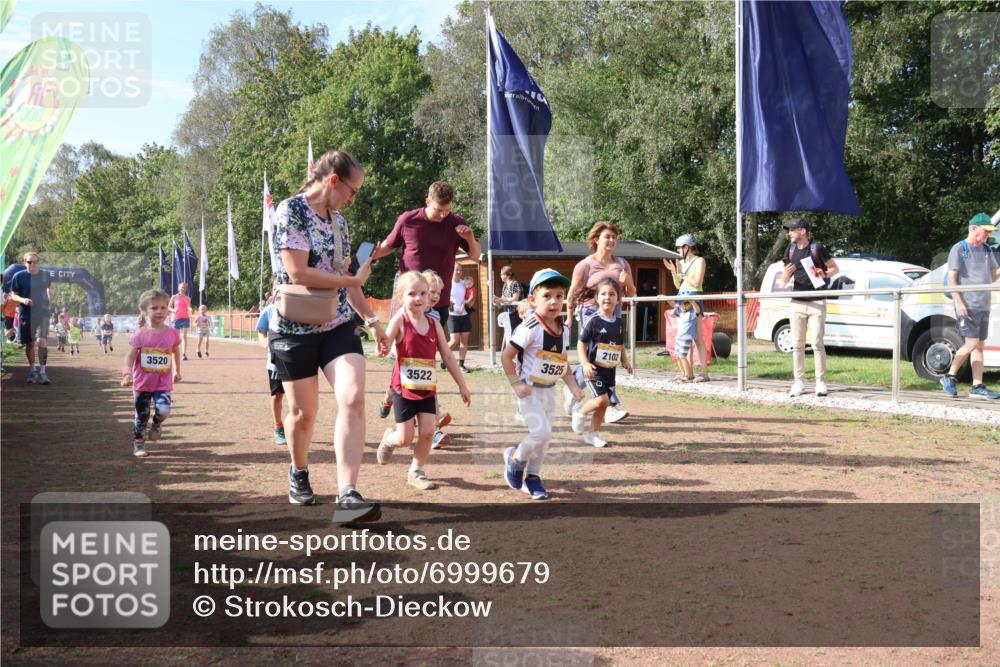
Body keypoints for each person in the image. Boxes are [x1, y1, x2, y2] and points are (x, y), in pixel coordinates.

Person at [269, 148, 388, 521]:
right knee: (303, 414)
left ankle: (347, 496)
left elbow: (348, 282)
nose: (353, 199)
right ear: (333, 180)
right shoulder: (290, 211)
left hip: (336, 324)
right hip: (293, 327)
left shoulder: (339, 223)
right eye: (352, 191)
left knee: (352, 398)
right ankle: (299, 470)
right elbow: (298, 272)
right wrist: (349, 279)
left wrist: (371, 320)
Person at [376, 271, 471, 490]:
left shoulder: (434, 324)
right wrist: (382, 345)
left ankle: (416, 471)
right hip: (404, 389)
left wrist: (462, 386)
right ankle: (389, 439)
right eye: (412, 294)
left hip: (427, 388)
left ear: (429, 297)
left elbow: (447, 356)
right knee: (405, 439)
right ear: (401, 297)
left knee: (428, 432)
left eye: (423, 293)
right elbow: (386, 342)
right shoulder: (400, 319)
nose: (418, 298)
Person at [502, 269, 585, 500]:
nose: (554, 302)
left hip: (549, 393)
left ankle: (533, 477)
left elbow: (562, 362)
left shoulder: (564, 329)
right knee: (542, 433)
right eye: (547, 296)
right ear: (532, 300)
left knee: (545, 438)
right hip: (529, 392)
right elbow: (506, 356)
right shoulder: (529, 328)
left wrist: (573, 387)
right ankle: (515, 458)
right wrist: (516, 384)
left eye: (559, 296)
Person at [372, 180, 482, 335]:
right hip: (410, 298)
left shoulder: (456, 223)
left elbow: (475, 255)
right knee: (406, 344)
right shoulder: (408, 220)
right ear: (428, 201)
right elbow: (389, 245)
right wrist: (370, 257)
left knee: (428, 350)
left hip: (438, 300)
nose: (443, 214)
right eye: (438, 210)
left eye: (447, 210)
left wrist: (470, 238)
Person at [565, 221, 636, 422]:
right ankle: (611, 405)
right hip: (591, 314)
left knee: (605, 359)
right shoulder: (585, 265)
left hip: (613, 313)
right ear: (596, 239)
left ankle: (573, 389)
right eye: (607, 237)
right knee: (597, 360)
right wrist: (569, 317)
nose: (612, 240)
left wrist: (626, 280)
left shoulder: (622, 264)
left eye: (614, 237)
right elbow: (572, 294)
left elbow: (632, 291)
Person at [940, 212, 1000, 399]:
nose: (988, 235)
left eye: (990, 232)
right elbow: (952, 277)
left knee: (979, 346)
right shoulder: (959, 248)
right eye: (986, 231)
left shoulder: (987, 250)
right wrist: (959, 302)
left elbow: (994, 274)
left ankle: (977, 386)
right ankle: (949, 377)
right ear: (973, 229)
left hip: (983, 305)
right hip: (967, 304)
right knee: (971, 343)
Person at [778, 218, 839, 397]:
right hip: (796, 302)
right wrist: (784, 276)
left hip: (817, 302)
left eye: (792, 230)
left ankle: (821, 382)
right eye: (788, 230)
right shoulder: (789, 250)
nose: (789, 233)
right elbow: (784, 279)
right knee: (796, 344)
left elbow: (835, 269)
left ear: (803, 231)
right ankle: (799, 382)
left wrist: (824, 273)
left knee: (817, 343)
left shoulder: (816, 248)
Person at [121, 289, 181, 457]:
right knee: (142, 415)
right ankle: (139, 443)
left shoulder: (172, 334)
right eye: (154, 308)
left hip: (163, 383)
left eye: (163, 307)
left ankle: (157, 424)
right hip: (142, 384)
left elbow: (175, 351)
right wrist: (127, 373)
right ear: (145, 311)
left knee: (163, 410)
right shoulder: (141, 334)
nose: (159, 311)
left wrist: (177, 370)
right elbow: (131, 355)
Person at [573, 278, 632, 448]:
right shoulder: (593, 320)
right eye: (603, 294)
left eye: (612, 294)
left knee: (603, 405)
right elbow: (581, 343)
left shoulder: (619, 323)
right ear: (597, 298)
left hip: (609, 371)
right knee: (602, 401)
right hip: (593, 369)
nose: (608, 297)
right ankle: (580, 411)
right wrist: (584, 363)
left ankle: (593, 434)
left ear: (618, 299)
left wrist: (625, 361)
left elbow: (620, 345)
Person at [664, 233, 709, 381]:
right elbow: (679, 285)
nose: (677, 251)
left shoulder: (699, 260)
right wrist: (673, 272)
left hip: (694, 298)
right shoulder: (682, 263)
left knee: (698, 339)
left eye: (679, 248)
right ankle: (688, 374)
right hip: (683, 298)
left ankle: (704, 373)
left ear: (686, 247)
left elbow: (696, 282)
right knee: (686, 338)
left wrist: (681, 273)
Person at [9, 251, 54, 384]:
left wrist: (50, 299)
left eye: (35, 261)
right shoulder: (18, 276)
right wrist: (23, 300)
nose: (32, 264)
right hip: (26, 313)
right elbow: (13, 295)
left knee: (42, 342)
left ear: (38, 263)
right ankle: (32, 370)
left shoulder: (45, 275)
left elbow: (50, 288)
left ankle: (43, 372)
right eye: (29, 262)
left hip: (42, 313)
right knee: (30, 343)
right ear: (25, 263)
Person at [256, 295, 286, 444]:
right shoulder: (269, 310)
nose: (278, 288)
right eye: (275, 286)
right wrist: (265, 341)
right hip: (275, 362)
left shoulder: (297, 307)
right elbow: (261, 331)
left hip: (296, 359)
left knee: (297, 399)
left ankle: (297, 427)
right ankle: (278, 426)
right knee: (277, 395)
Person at [447, 265, 473, 372]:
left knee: (464, 340)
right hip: (452, 315)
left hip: (464, 315)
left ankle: (461, 365)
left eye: (460, 270)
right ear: (452, 270)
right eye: (456, 270)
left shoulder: (464, 283)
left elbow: (472, 292)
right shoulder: (448, 283)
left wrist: (470, 302)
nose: (458, 272)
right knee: (454, 340)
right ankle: (444, 359)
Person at [672, 301, 698, 382]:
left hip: (687, 337)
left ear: (688, 305)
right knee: (677, 356)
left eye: (682, 304)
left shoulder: (692, 313)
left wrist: (692, 301)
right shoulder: (681, 312)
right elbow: (674, 305)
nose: (681, 306)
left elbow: (697, 310)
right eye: (681, 305)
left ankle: (689, 375)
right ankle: (683, 373)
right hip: (679, 337)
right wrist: (665, 298)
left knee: (682, 356)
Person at [494, 265, 527, 332]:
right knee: (508, 333)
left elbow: (515, 298)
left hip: (516, 313)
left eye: (502, 275)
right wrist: (497, 301)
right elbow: (503, 299)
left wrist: (501, 299)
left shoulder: (515, 284)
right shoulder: (505, 285)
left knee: (515, 332)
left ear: (508, 275)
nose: (500, 276)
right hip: (507, 313)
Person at [168, 282, 192, 361]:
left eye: (184, 287)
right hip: (176, 318)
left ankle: (184, 354)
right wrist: (173, 310)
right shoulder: (174, 297)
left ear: (186, 289)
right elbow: (169, 307)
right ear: (179, 288)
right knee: (176, 337)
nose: (183, 289)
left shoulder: (187, 298)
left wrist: (189, 309)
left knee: (184, 335)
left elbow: (188, 306)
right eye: (182, 287)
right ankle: (174, 352)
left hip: (185, 318)